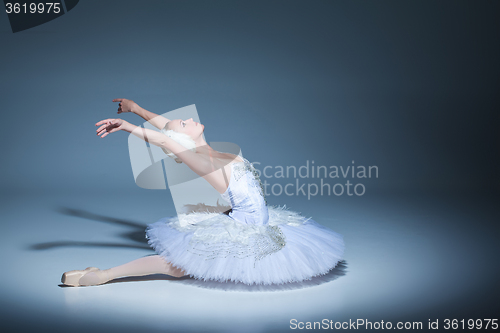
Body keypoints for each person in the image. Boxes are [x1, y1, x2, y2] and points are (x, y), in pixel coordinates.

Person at [61, 98, 345, 287]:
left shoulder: (208, 150)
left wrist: (136, 108)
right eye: (183, 124)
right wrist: (128, 127)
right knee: (179, 266)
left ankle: (102, 275)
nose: (184, 119)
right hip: (246, 226)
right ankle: (103, 276)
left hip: (249, 218)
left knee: (187, 264)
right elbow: (167, 139)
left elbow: (166, 128)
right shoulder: (202, 161)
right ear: (184, 139)